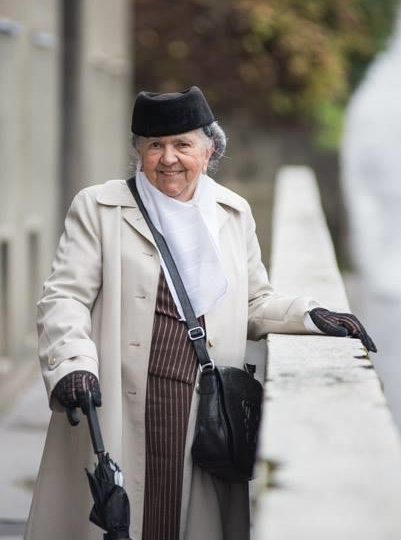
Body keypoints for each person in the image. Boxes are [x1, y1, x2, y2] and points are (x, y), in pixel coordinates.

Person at [25, 86, 377, 540]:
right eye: (155, 145)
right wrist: (72, 362)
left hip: (200, 405)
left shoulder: (233, 213)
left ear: (209, 151)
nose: (168, 158)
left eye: (182, 144)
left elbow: (253, 302)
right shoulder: (99, 207)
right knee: (122, 518)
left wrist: (310, 316)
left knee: (181, 519)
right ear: (138, 152)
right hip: (119, 397)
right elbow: (65, 296)